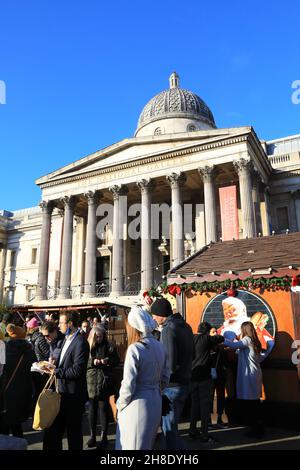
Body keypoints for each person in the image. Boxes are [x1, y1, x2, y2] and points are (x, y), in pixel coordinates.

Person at [115, 306, 169, 450]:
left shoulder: (135, 349)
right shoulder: (160, 346)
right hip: (155, 401)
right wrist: (156, 391)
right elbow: (165, 378)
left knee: (131, 446)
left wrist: (120, 405)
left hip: (136, 404)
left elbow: (128, 385)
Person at [42, 310, 89, 450]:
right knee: (54, 432)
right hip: (61, 393)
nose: (59, 326)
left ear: (70, 323)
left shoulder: (80, 342)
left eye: (62, 323)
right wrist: (54, 362)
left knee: (74, 435)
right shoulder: (65, 339)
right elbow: (64, 362)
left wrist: (56, 371)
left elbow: (77, 371)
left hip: (73, 396)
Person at [151, 297, 193, 450]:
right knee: (172, 429)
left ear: (161, 314)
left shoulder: (169, 329)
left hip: (172, 386)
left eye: (154, 315)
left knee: (169, 430)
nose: (153, 318)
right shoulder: (186, 326)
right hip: (185, 382)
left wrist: (160, 382)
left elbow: (169, 365)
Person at [223, 321, 264, 438]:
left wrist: (221, 339)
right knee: (254, 401)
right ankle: (257, 427)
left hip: (249, 374)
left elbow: (235, 346)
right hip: (255, 373)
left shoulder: (247, 339)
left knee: (250, 403)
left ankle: (254, 429)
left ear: (244, 330)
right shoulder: (254, 341)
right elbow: (238, 349)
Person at [189, 322, 224, 442]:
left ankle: (192, 429)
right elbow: (221, 338)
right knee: (204, 406)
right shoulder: (206, 339)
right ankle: (204, 433)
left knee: (194, 405)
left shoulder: (191, 338)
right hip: (204, 377)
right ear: (207, 331)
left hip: (192, 376)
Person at [86, 325, 120, 448]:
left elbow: (116, 359)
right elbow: (83, 361)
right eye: (97, 337)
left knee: (103, 408)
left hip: (104, 380)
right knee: (92, 409)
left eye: (101, 336)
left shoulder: (109, 345)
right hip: (91, 380)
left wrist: (107, 360)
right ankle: (92, 436)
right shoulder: (87, 346)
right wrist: (93, 361)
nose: (99, 338)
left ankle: (103, 436)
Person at [0, 324, 36, 437]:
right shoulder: (29, 352)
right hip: (22, 395)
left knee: (3, 429)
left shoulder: (4, 350)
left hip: (4, 395)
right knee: (17, 427)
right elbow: (35, 374)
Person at [210, 327, 229, 428]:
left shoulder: (222, 347)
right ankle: (209, 419)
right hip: (210, 375)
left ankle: (219, 417)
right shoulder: (207, 346)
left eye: (216, 331)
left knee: (221, 396)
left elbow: (226, 361)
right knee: (210, 396)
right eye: (213, 332)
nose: (215, 333)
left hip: (221, 374)